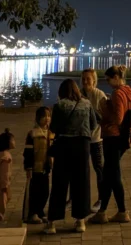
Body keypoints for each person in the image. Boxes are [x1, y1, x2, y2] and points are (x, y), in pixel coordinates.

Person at [45, 79, 99, 234]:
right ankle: (80, 221)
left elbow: (54, 127)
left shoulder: (59, 106)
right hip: (82, 146)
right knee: (81, 182)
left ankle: (52, 223)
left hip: (63, 145)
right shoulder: (87, 104)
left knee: (59, 182)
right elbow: (94, 124)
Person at [90, 65, 131, 225]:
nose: (108, 82)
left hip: (113, 137)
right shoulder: (128, 92)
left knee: (112, 175)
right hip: (123, 138)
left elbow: (118, 118)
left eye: (109, 79)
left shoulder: (118, 94)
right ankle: (104, 211)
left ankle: (121, 211)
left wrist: (105, 111)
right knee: (110, 175)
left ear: (116, 77)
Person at [81, 68, 107, 209]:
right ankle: (75, 199)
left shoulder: (99, 95)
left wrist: (92, 112)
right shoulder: (78, 94)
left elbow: (105, 116)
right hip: (81, 139)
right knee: (79, 170)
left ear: (94, 81)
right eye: (83, 79)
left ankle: (102, 199)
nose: (85, 82)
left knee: (99, 169)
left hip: (96, 139)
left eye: (88, 79)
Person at [23, 106, 54, 223]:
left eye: (49, 116)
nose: (47, 118)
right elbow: (28, 152)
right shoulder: (32, 134)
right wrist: (28, 167)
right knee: (35, 191)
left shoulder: (51, 133)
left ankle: (40, 211)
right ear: (38, 118)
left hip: (46, 168)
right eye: (44, 116)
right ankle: (33, 213)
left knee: (45, 191)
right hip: (35, 168)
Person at [0, 128, 15, 220]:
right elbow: (4, 172)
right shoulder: (6, 157)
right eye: (13, 140)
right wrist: (4, 184)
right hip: (1, 183)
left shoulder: (1, 154)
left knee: (3, 198)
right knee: (2, 200)